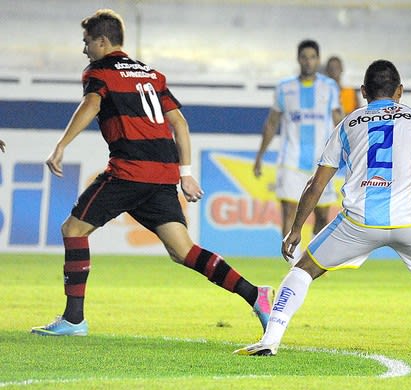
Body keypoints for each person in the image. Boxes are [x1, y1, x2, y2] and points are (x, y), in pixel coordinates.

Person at [235, 59, 411, 360]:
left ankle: (270, 340)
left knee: (304, 270)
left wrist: (296, 228)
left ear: (364, 91)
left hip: (359, 223)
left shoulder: (348, 125)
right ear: (400, 91)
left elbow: (316, 184)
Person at [31, 9, 273, 336]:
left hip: (129, 170)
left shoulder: (99, 71)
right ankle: (255, 294)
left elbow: (91, 105)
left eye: (87, 42)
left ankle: (74, 319)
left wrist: (60, 145)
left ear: (102, 42)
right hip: (163, 174)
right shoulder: (152, 74)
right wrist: (185, 173)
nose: (84, 49)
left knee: (73, 230)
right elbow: (180, 124)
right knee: (183, 250)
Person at [253, 40, 343, 264]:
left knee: (322, 215)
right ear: (298, 59)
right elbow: (271, 123)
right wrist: (259, 157)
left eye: (312, 57)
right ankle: (294, 266)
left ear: (318, 60)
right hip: (291, 159)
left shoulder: (329, 87)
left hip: (322, 161)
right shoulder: (284, 87)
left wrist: (350, 151)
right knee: (289, 213)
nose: (308, 61)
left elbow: (339, 120)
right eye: (304, 57)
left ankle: (313, 259)